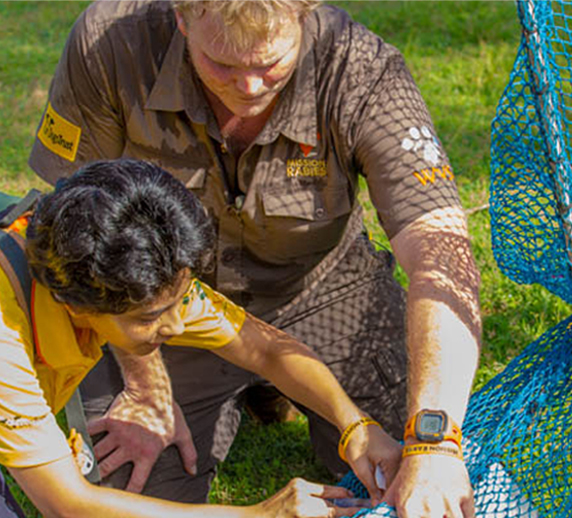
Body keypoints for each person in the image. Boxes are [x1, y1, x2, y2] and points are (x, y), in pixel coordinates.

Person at [29, 1, 482, 516]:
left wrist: (434, 437)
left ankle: (271, 392)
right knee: (127, 489)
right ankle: (249, 393)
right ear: (182, 18)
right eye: (222, 65)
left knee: (414, 474)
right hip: (162, 306)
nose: (248, 89)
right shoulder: (110, 42)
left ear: (304, 16)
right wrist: (146, 382)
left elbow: (442, 253)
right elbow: (85, 225)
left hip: (322, 293)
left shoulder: (361, 69)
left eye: (270, 65)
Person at [0, 158, 401, 518]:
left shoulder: (110, 256)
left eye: (180, 299)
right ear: (74, 304)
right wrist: (258, 516)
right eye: (151, 317)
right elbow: (67, 502)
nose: (176, 326)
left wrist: (355, 425)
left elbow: (265, 349)